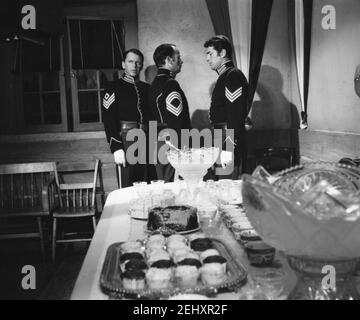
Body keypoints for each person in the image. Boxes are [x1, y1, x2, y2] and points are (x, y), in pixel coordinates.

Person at [102, 48, 152, 188]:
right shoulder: (113, 87)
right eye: (130, 62)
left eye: (138, 62)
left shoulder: (147, 88)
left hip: (147, 142)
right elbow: (108, 120)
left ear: (141, 65)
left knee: (148, 186)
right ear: (123, 64)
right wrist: (116, 147)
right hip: (126, 142)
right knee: (128, 188)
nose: (134, 66)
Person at [204, 35, 249, 179]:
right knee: (221, 186)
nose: (207, 58)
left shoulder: (233, 75)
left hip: (227, 140)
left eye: (210, 54)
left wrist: (230, 147)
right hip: (220, 138)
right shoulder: (224, 76)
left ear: (222, 53)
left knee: (228, 187)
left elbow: (235, 115)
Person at [148, 44, 191, 182]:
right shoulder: (170, 84)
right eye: (178, 57)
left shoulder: (154, 83)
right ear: (169, 60)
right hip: (172, 145)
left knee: (166, 189)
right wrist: (184, 151)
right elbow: (176, 122)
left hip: (158, 143)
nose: (181, 61)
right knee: (175, 190)